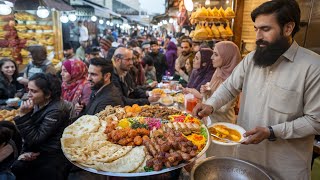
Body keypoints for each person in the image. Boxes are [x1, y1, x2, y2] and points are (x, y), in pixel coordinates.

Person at [192, 1, 320, 179]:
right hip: (245, 159)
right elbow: (230, 86)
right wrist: (211, 105)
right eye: (256, 29)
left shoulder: (313, 67)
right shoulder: (251, 59)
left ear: (288, 28)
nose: (257, 37)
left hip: (286, 167)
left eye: (265, 29)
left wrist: (272, 131)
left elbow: (316, 121)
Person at [12, 73, 72, 180]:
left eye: (34, 91)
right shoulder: (40, 102)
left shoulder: (56, 110)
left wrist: (23, 116)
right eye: (28, 89)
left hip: (50, 156)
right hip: (37, 150)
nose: (29, 94)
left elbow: (36, 139)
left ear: (48, 94)